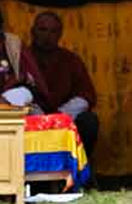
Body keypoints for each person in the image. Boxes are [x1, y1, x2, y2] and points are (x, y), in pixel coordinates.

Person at [27, 12, 99, 156]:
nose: (47, 36)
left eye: (53, 31)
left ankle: (77, 170)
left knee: (89, 121)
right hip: (31, 118)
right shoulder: (21, 58)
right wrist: (39, 116)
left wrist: (60, 115)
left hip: (64, 118)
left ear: (60, 34)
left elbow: (86, 94)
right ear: (33, 32)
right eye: (42, 30)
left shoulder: (71, 60)